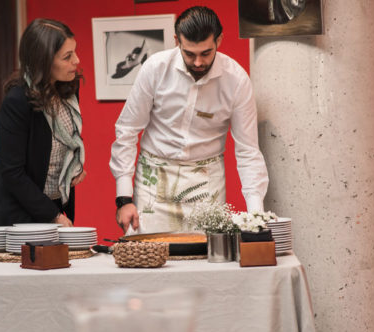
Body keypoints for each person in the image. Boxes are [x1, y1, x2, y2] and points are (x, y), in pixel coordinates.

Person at [110, 6, 269, 234]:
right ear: (177, 41)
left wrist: (256, 214)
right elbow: (126, 130)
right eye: (189, 53)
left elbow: (248, 150)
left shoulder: (237, 80)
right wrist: (124, 199)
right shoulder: (155, 68)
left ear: (219, 41)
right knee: (148, 259)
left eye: (206, 53)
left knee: (208, 259)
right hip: (154, 179)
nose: (197, 63)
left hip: (206, 181)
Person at [0, 18, 86, 227]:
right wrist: (53, 216)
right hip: (14, 215)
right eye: (67, 56)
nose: (77, 60)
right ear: (44, 61)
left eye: (75, 52)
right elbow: (12, 173)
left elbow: (66, 143)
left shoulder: (68, 89)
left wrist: (75, 166)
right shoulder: (18, 101)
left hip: (54, 205)